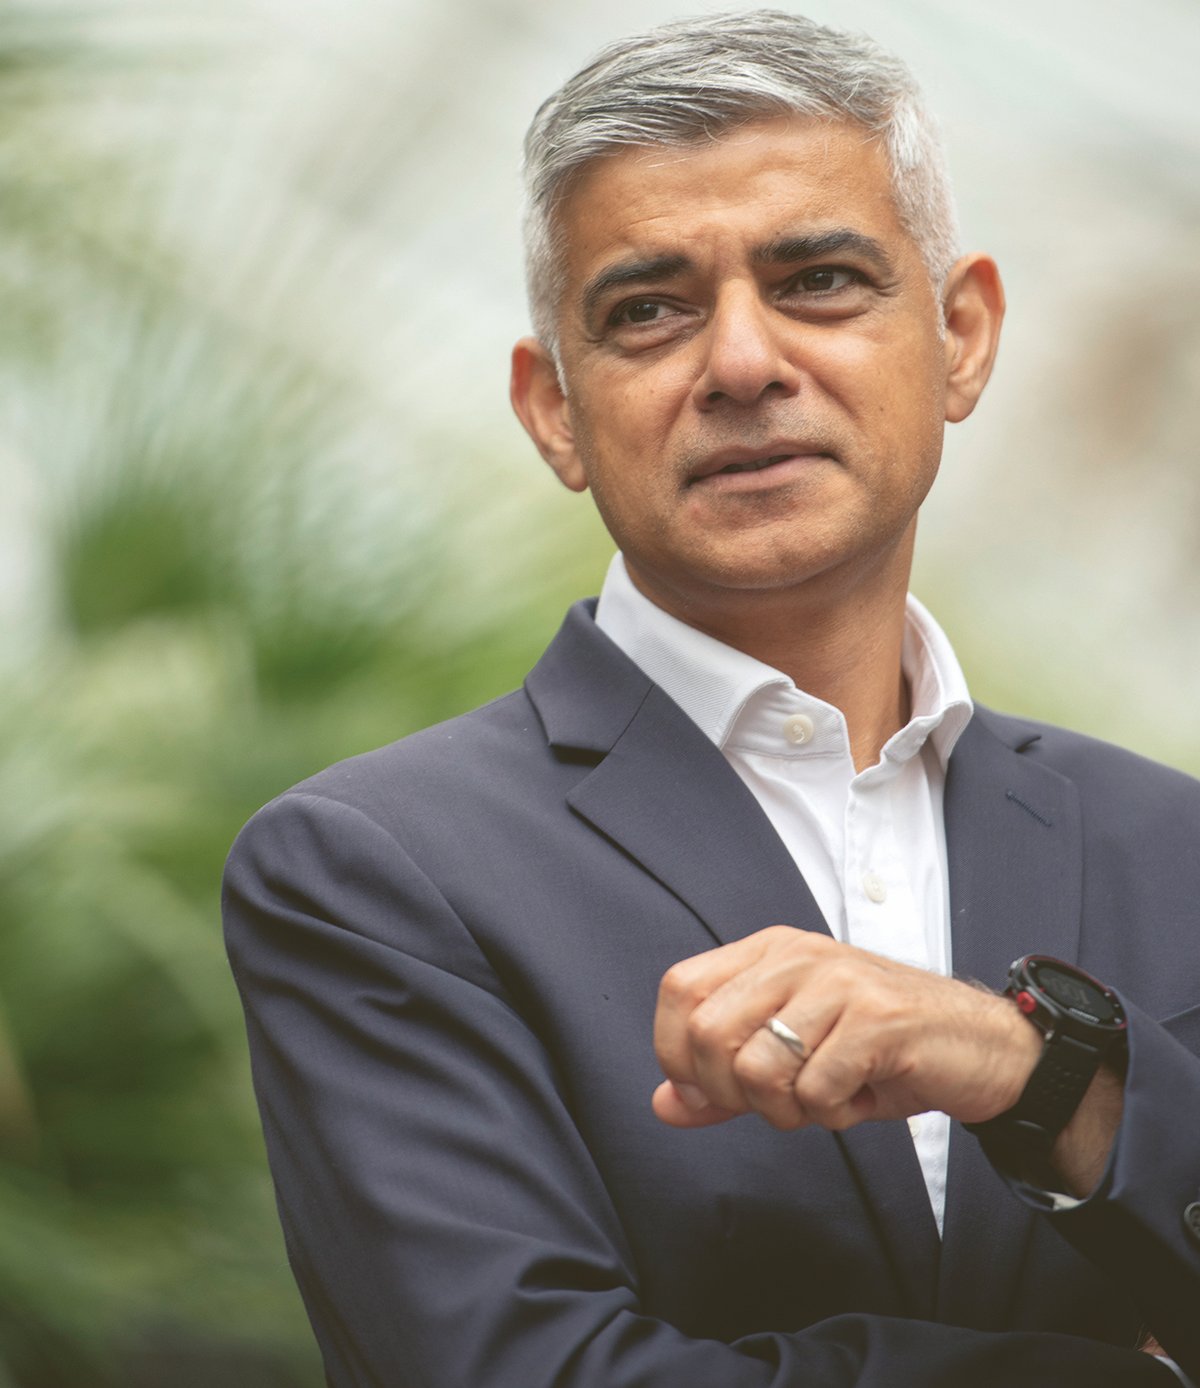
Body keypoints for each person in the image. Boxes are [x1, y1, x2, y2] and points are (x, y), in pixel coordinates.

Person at [223, 12, 1200, 1386]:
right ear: (554, 409)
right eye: (648, 311)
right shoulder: (378, 870)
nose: (741, 362)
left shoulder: (1175, 852)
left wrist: (1032, 1071)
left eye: (819, 280)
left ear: (963, 335)